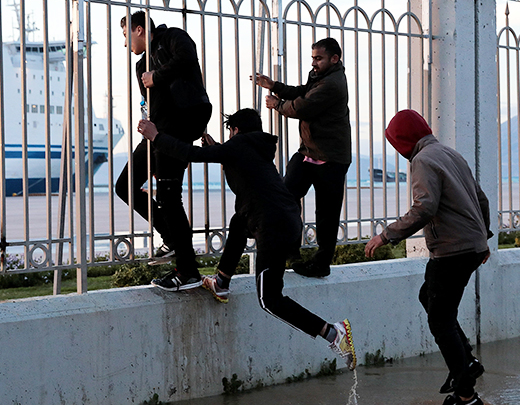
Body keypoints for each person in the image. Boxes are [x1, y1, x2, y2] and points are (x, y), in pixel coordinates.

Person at [136, 109, 357, 370]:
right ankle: (221, 281)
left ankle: (332, 332)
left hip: (271, 226)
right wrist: (218, 148)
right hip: (284, 219)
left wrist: (157, 136)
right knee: (239, 220)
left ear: (237, 130)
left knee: (269, 299)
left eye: (231, 131)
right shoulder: (256, 148)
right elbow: (233, 160)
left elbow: (192, 154)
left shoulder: (239, 145)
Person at [364, 110, 491, 405]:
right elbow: (481, 197)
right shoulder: (449, 153)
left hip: (452, 248)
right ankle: (468, 363)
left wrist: (386, 236)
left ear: (402, 142)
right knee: (431, 299)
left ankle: (465, 396)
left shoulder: (422, 161)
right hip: (471, 245)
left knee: (440, 319)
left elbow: (424, 207)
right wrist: (484, 237)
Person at [117, 11, 212, 291]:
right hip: (157, 133)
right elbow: (151, 99)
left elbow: (187, 60)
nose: (126, 44)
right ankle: (170, 237)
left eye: (125, 36)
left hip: (178, 128)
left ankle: (187, 271)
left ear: (138, 29)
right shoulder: (140, 66)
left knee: (170, 197)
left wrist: (156, 76)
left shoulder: (173, 37)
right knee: (125, 186)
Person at [252, 37, 351, 278]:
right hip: (309, 152)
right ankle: (291, 250)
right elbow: (302, 92)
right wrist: (274, 85)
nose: (314, 63)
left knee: (326, 214)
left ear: (334, 59)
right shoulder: (319, 76)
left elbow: (302, 107)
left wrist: (277, 105)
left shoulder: (333, 84)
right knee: (286, 196)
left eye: (319, 58)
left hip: (331, 157)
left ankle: (321, 264)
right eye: (313, 58)